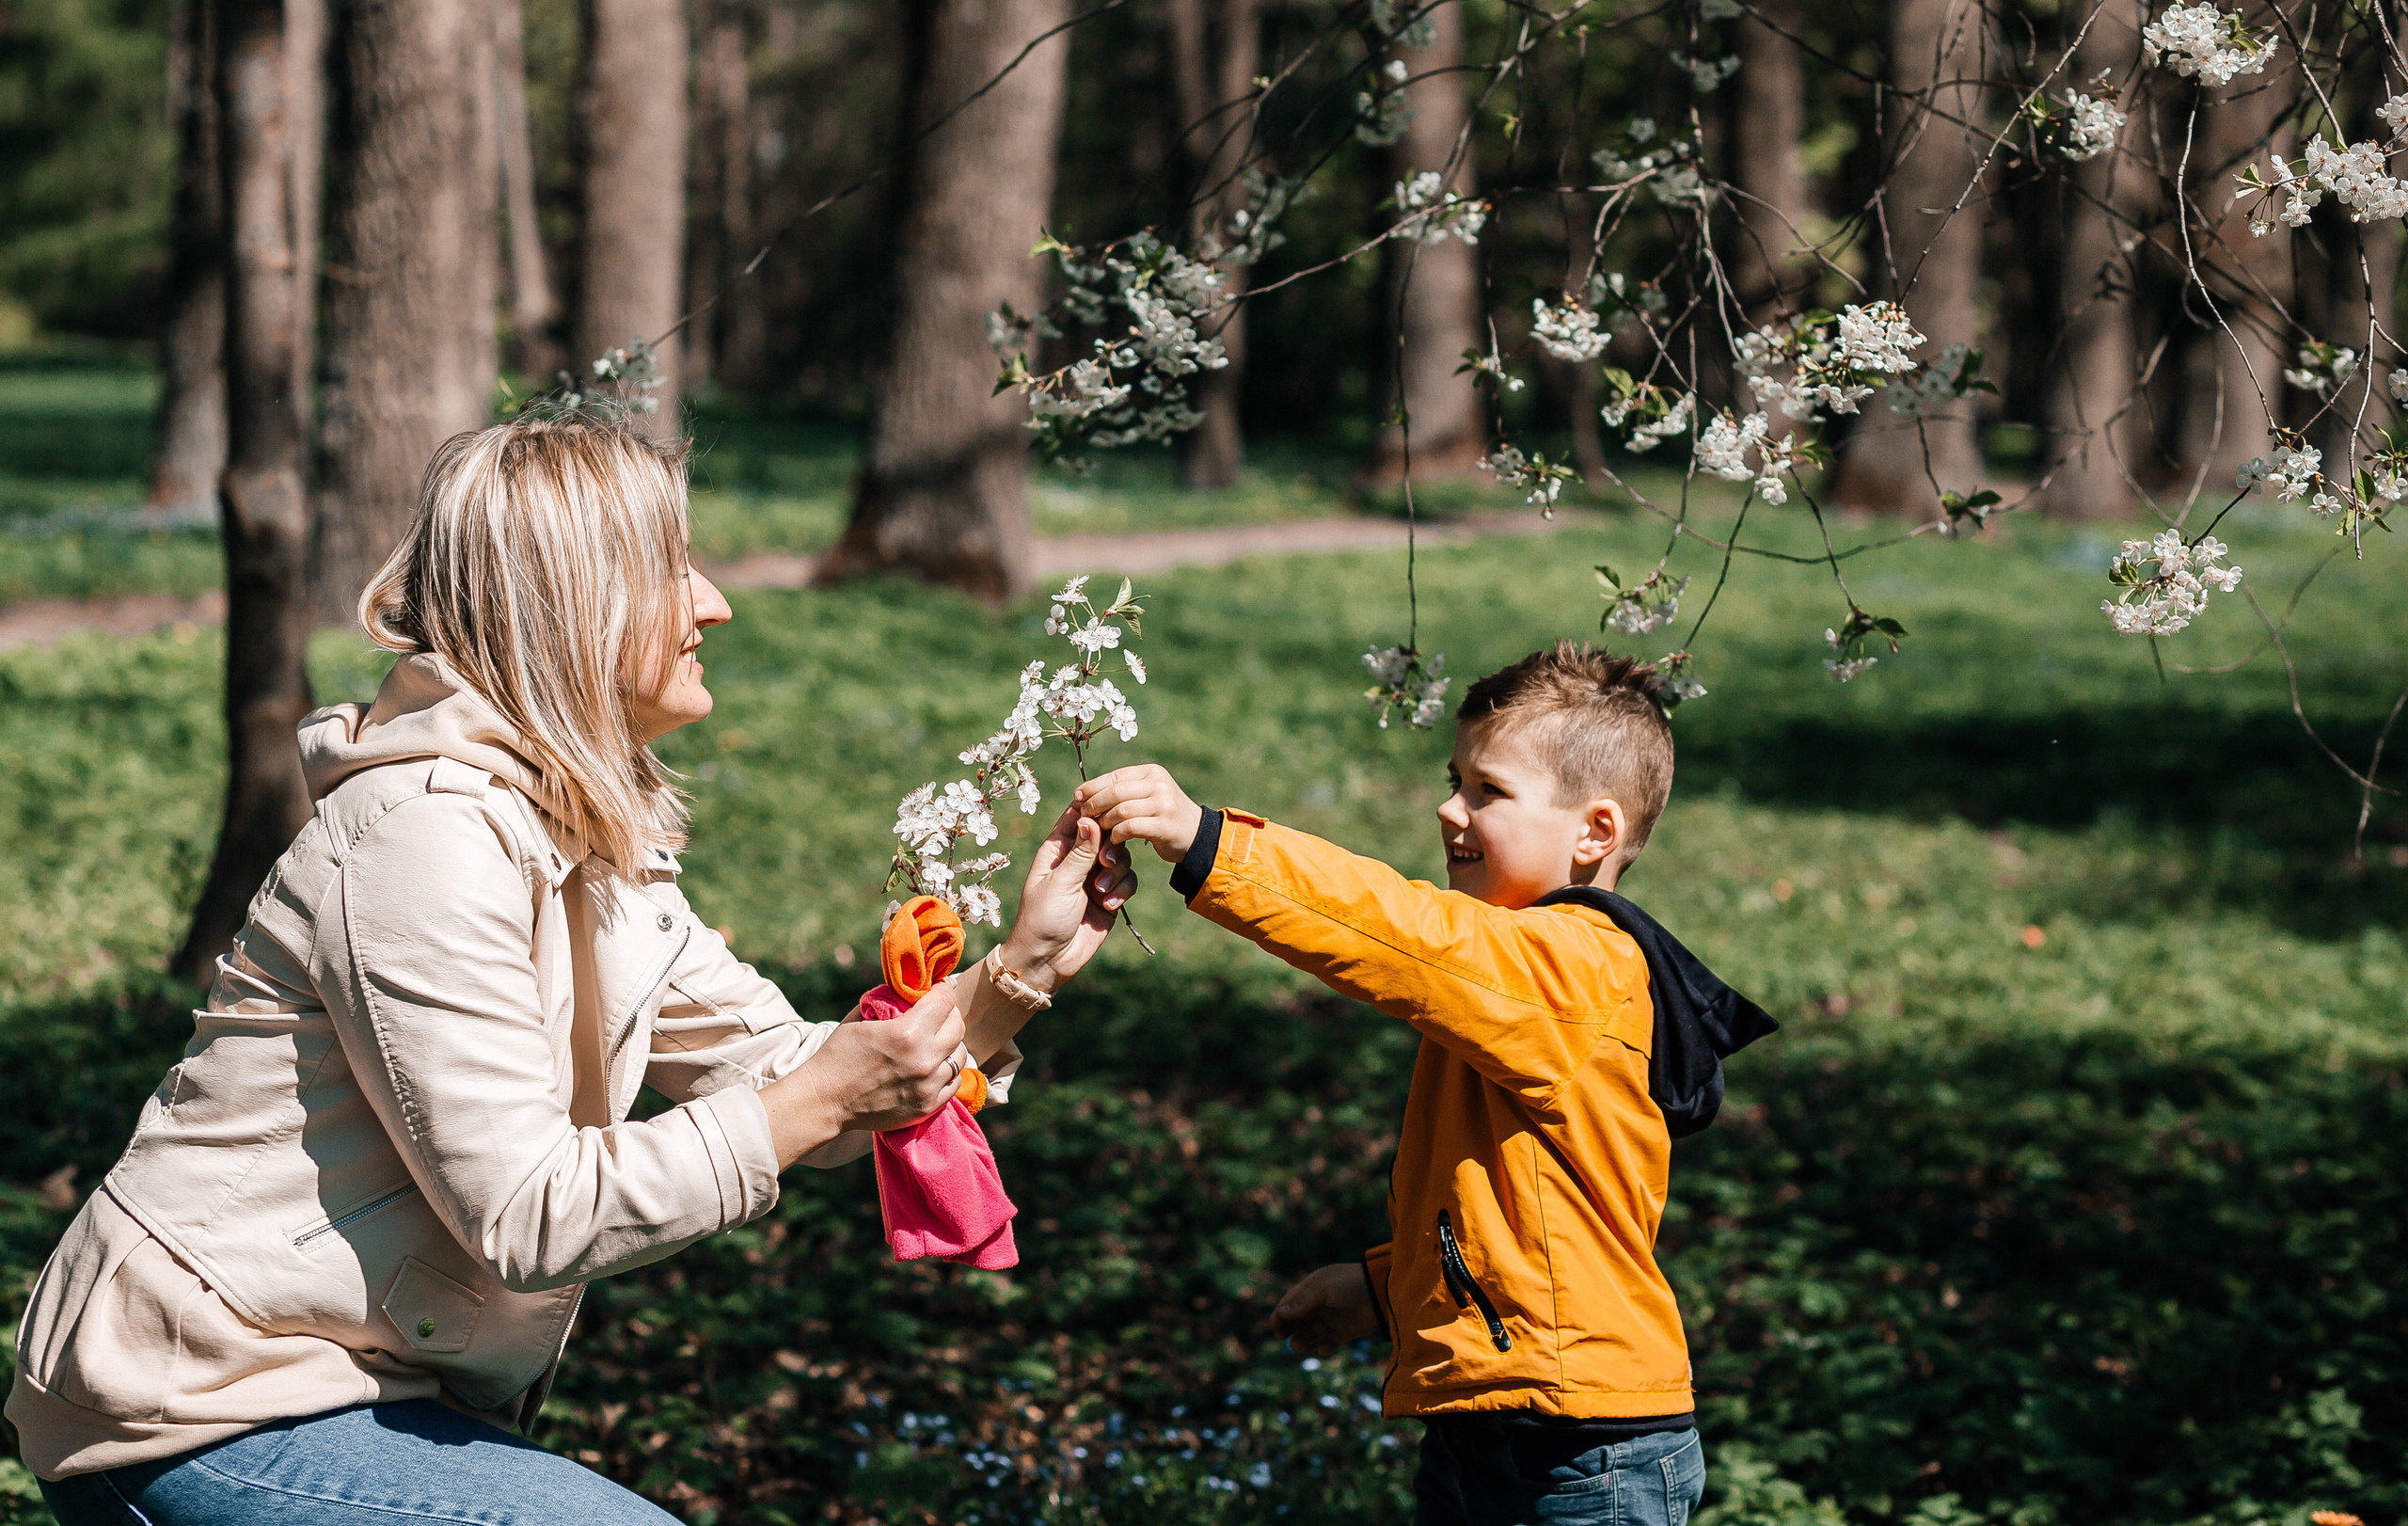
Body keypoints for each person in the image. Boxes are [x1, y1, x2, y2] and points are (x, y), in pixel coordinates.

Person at [8, 417, 1135, 1524]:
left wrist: (1018, 973)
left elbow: (812, 1087)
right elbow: (534, 1209)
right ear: (574, 607)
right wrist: (821, 1093)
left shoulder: (582, 835)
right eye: (673, 570)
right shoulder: (424, 834)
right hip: (199, 1400)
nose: (715, 602)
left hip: (360, 1385)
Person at [1074, 642, 1776, 1526]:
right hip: (1494, 1427)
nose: (1450, 810)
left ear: (1595, 831)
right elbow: (1525, 1210)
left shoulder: (1572, 966)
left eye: (1488, 790)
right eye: (1456, 779)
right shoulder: (1519, 978)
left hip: (1580, 1451)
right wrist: (1384, 1285)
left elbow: (1398, 934)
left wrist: (1211, 845)